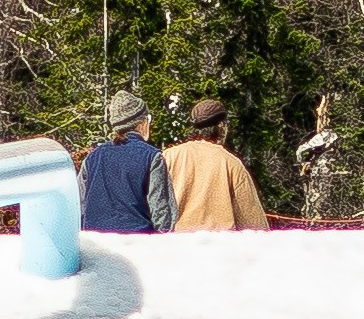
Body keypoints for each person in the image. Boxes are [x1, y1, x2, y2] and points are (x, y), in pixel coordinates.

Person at [162, 97, 270, 232]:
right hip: (218, 246)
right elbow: (253, 222)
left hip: (175, 243)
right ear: (221, 126)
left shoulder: (168, 157)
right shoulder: (231, 163)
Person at [80, 89, 178, 234]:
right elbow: (161, 211)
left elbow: (80, 204)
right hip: (136, 241)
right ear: (141, 123)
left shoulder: (92, 158)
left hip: (96, 243)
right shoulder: (152, 157)